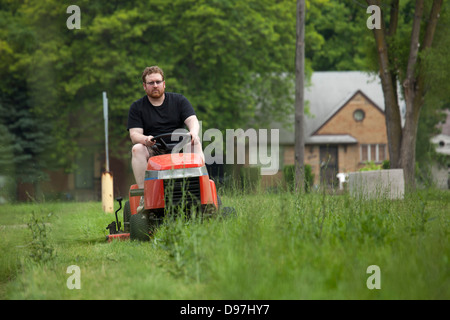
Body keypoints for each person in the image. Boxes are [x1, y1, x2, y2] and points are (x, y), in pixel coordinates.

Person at [127, 66, 203, 211]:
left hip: (179, 148)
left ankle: (202, 189)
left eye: (157, 82)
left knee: (196, 141)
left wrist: (193, 132)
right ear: (144, 86)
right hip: (153, 149)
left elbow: (192, 120)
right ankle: (145, 196)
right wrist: (145, 139)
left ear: (164, 83)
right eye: (151, 83)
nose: (155, 85)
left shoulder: (179, 100)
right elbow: (134, 135)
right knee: (137, 148)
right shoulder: (137, 107)